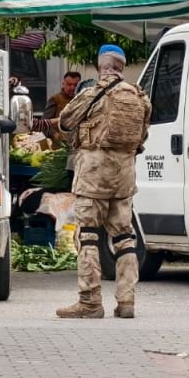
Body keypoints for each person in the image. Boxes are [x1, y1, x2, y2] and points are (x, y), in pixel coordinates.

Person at [56, 45, 151, 319]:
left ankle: (90, 301)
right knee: (124, 236)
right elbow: (142, 137)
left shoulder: (92, 93)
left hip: (93, 174)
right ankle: (127, 301)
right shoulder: (139, 97)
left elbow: (65, 122)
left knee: (87, 235)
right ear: (121, 67)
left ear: (101, 66)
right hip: (124, 175)